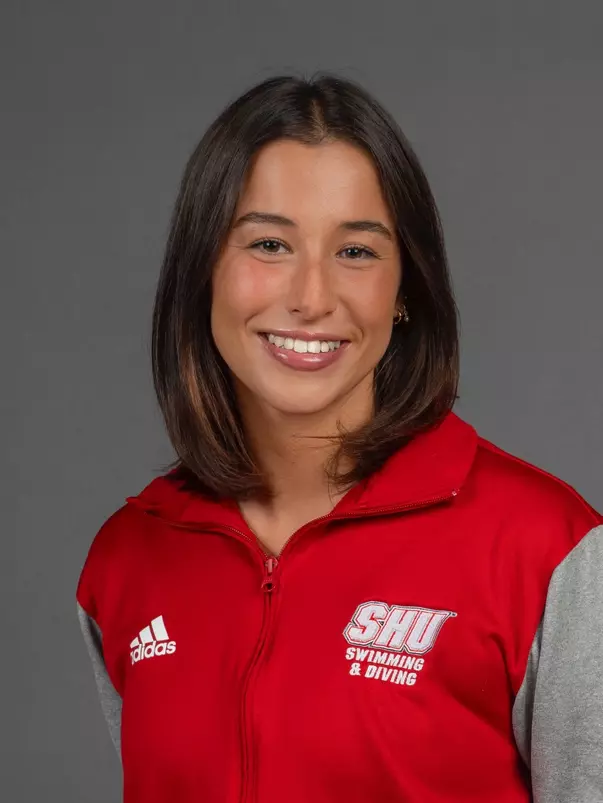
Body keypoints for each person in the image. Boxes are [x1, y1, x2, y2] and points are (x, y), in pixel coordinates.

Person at [75, 73, 603, 803]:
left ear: (404, 293)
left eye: (355, 252)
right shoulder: (125, 559)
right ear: (204, 275)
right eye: (268, 244)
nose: (312, 297)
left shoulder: (544, 547)